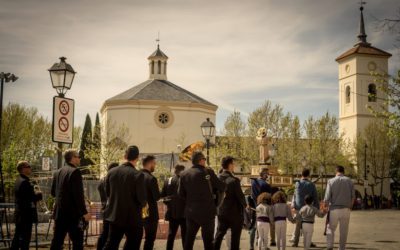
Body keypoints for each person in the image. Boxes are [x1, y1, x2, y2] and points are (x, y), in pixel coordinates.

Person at [178, 152, 226, 250]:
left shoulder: (184, 174)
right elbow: (221, 186)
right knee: (208, 242)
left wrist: (191, 201)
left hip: (191, 212)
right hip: (207, 213)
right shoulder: (208, 172)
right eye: (204, 159)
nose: (205, 161)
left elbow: (180, 194)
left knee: (189, 240)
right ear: (201, 160)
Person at [103, 145, 147, 250]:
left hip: (115, 216)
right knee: (133, 244)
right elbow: (141, 199)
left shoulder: (111, 172)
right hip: (132, 219)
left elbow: (108, 193)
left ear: (125, 156)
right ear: (138, 157)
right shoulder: (138, 175)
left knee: (111, 244)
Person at [50, 149, 90, 250]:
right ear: (72, 158)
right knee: (77, 243)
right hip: (72, 215)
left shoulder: (58, 172)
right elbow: (78, 196)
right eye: (78, 156)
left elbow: (53, 193)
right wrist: (84, 212)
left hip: (59, 214)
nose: (79, 158)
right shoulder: (75, 172)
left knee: (57, 241)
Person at [214, 156, 247, 250]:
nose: (234, 165)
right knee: (235, 239)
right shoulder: (234, 180)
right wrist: (246, 205)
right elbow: (240, 196)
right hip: (235, 214)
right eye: (233, 164)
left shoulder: (217, 179)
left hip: (221, 211)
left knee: (219, 234)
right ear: (229, 165)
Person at [11, 161, 42, 250]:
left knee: (17, 237)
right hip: (25, 214)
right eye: (28, 166)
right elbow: (30, 198)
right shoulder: (25, 182)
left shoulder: (18, 180)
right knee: (25, 238)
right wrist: (39, 195)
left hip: (20, 214)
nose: (30, 168)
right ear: (23, 169)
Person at [324, 165, 355, 250]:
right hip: (346, 209)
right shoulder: (350, 181)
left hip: (334, 209)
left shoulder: (330, 181)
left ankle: (330, 246)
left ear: (336, 171)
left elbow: (327, 197)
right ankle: (341, 248)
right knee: (344, 231)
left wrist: (325, 207)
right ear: (343, 172)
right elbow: (353, 197)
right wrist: (350, 207)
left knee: (330, 228)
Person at [291, 168, 319, 248]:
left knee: (298, 226)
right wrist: (317, 208)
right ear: (309, 175)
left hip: (298, 208)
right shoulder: (311, 184)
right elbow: (315, 197)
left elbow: (295, 195)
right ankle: (308, 242)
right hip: (309, 208)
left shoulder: (297, 183)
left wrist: (293, 206)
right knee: (308, 226)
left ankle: (295, 242)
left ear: (301, 174)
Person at [161, 164, 186, 250]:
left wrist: (169, 204)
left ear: (175, 171)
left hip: (172, 212)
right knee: (185, 236)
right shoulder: (186, 180)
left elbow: (163, 197)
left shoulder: (168, 180)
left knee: (171, 235)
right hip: (184, 213)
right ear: (183, 171)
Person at [96, 162, 119, 250]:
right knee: (110, 234)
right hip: (112, 209)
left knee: (105, 232)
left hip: (104, 208)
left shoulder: (102, 180)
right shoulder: (111, 180)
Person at [250, 168, 275, 247]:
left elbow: (252, 195)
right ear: (264, 175)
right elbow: (269, 195)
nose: (267, 176)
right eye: (267, 174)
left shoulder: (253, 183)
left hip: (256, 205)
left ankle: (258, 240)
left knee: (258, 223)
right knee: (267, 224)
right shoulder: (265, 184)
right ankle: (269, 241)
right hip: (266, 206)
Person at [141, 155, 161, 250]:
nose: (155, 165)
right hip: (150, 214)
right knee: (149, 239)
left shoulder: (136, 176)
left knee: (134, 239)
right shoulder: (151, 179)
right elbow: (157, 197)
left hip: (137, 212)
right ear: (149, 164)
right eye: (154, 163)